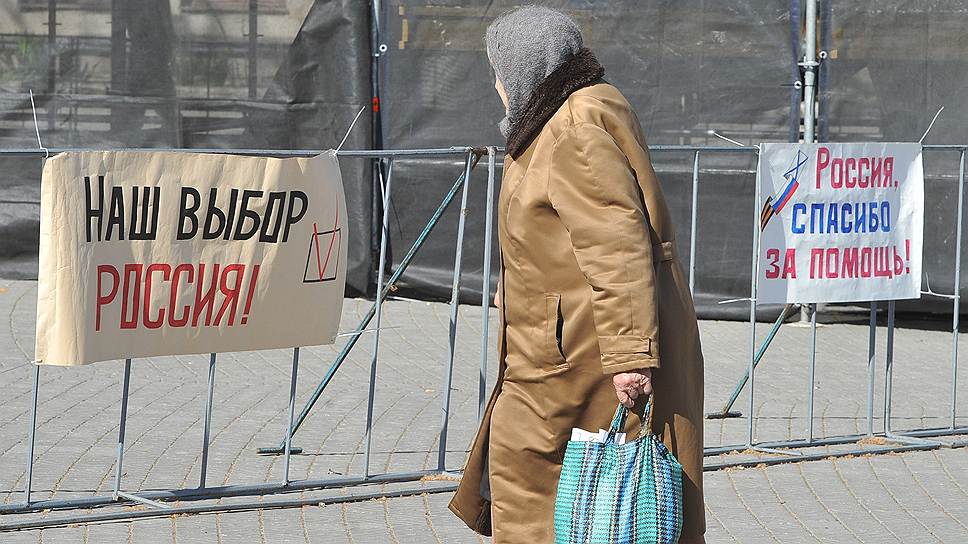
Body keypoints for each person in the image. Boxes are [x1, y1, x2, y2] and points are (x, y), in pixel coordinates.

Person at [448, 6, 706, 543]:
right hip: (570, 344)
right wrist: (513, 285)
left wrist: (630, 357)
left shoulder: (571, 129)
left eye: (498, 71)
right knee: (555, 498)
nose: (495, 85)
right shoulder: (566, 114)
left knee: (546, 491)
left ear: (524, 69)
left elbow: (617, 245)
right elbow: (562, 229)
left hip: (581, 356)